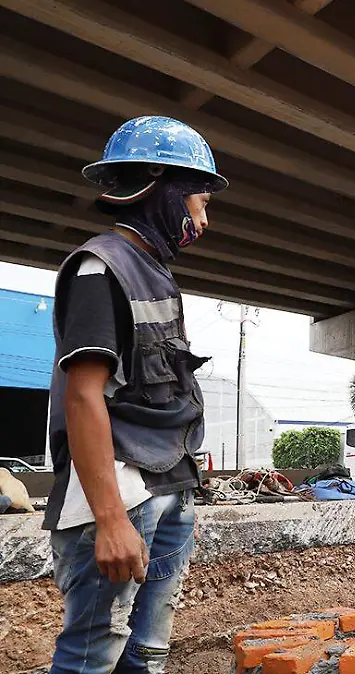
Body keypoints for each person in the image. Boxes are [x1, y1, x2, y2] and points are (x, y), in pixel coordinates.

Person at [44, 116, 225, 674]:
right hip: (123, 494)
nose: (204, 215)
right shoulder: (102, 268)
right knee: (92, 655)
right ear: (163, 188)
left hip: (166, 486)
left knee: (144, 655)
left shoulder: (152, 271)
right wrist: (110, 519)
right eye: (200, 196)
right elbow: (83, 397)